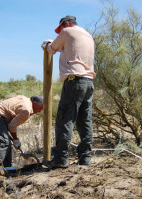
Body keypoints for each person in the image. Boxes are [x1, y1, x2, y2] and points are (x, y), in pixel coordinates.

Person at [42, 15, 96, 168]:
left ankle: (60, 159)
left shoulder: (67, 32)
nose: (60, 32)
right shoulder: (88, 35)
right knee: (85, 121)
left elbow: (51, 49)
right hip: (88, 83)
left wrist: (46, 44)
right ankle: (85, 159)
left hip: (73, 82)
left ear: (65, 24)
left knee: (64, 120)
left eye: (60, 29)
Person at [0, 95, 43, 171]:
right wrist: (15, 139)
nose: (39, 111)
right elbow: (12, 126)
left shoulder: (24, 99)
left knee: (7, 143)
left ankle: (7, 167)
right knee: (4, 143)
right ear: (34, 103)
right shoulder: (26, 110)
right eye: (40, 108)